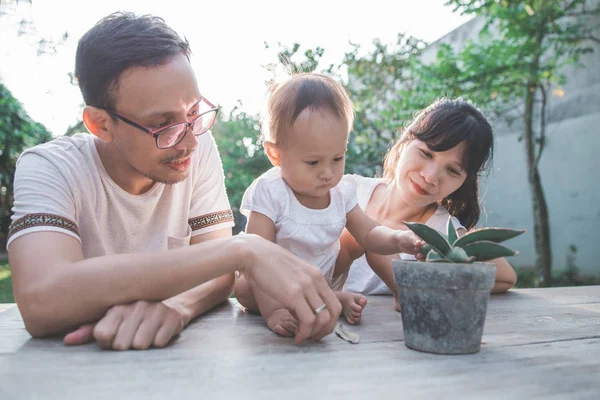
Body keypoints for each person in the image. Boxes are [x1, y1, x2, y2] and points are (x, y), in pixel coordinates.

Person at [6, 12, 342, 350]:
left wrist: (176, 307)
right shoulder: (49, 167)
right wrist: (243, 248)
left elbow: (218, 274)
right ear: (101, 124)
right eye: (163, 124)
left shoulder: (198, 148)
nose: (190, 142)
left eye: (194, 113)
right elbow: (41, 299)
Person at [233, 73, 423, 336]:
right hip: (270, 286)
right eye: (313, 162)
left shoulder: (341, 191)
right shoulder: (271, 191)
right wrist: (273, 310)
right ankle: (316, 303)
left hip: (318, 283)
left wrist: (398, 239)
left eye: (337, 158)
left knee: (322, 284)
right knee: (245, 288)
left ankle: (331, 298)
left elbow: (368, 233)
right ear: (275, 154)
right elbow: (256, 261)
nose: (327, 172)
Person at [334, 97, 518, 313]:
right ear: (405, 143)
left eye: (452, 170)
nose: (430, 177)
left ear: (464, 181)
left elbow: (505, 278)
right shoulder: (347, 189)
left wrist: (430, 284)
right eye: (426, 153)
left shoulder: (441, 234)